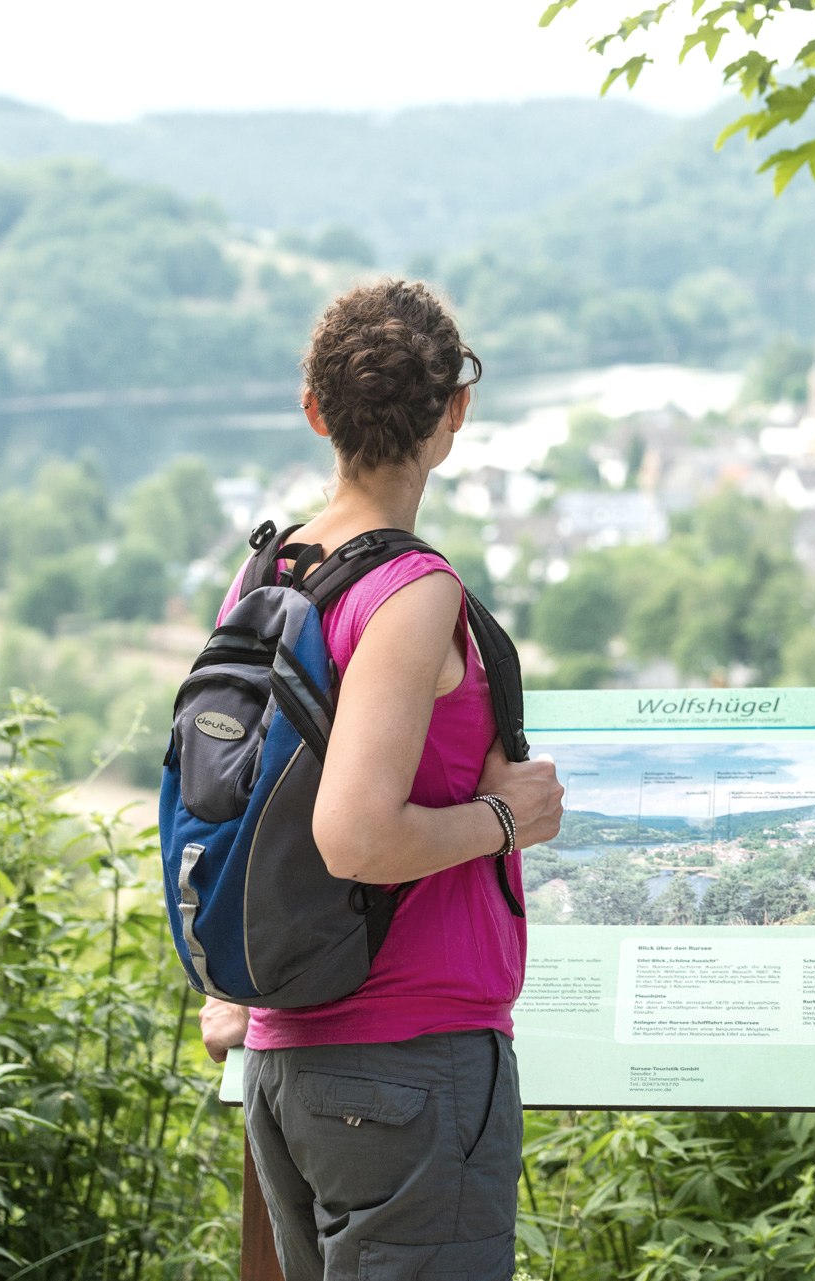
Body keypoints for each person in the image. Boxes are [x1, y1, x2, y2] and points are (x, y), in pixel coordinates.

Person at [196, 279, 564, 1280]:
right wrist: (505, 817)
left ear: (316, 412)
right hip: (407, 1061)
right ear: (455, 412)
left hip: (288, 1059)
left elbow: (232, 805)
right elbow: (354, 835)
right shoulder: (409, 590)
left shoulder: (267, 576)